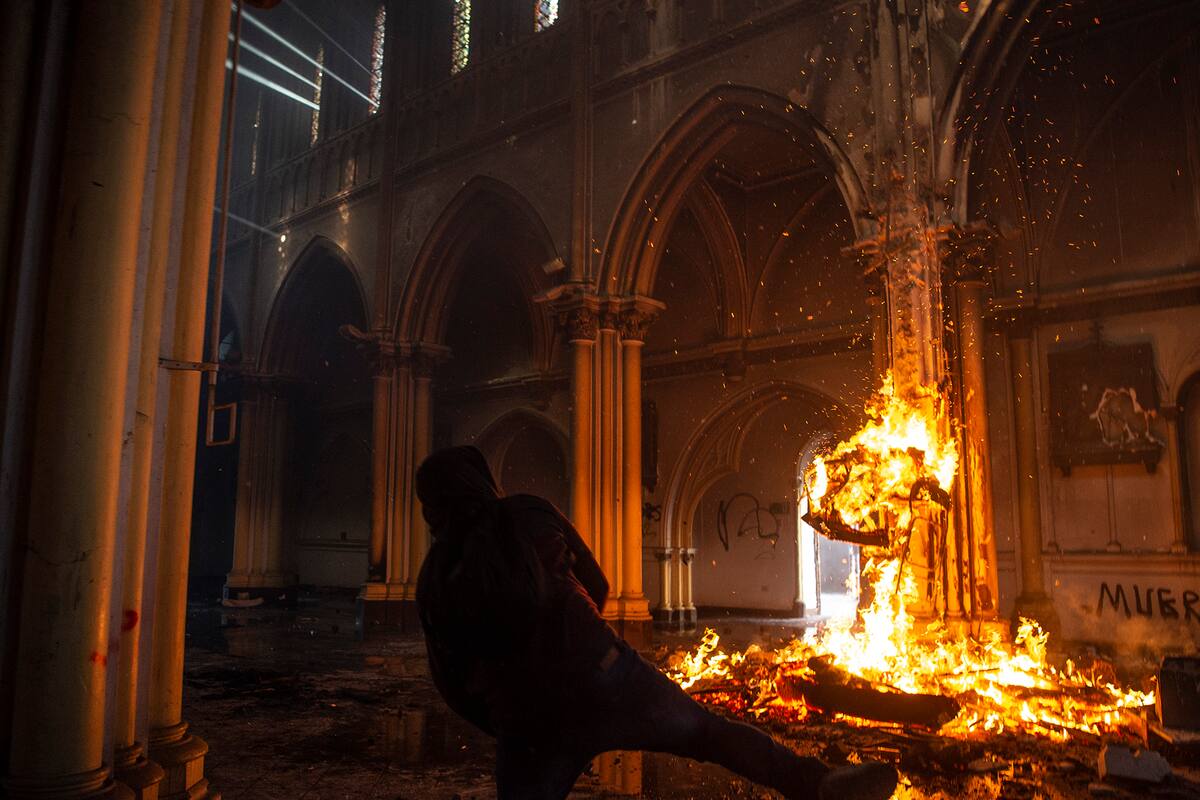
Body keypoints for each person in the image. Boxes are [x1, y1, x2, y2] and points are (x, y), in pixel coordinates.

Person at [415, 445, 898, 800]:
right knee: (706, 733)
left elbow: (452, 684)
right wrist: (583, 646)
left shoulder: (432, 577)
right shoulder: (528, 511)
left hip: (527, 721)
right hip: (607, 676)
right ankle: (818, 783)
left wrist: (513, 721)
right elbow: (599, 584)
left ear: (434, 506)